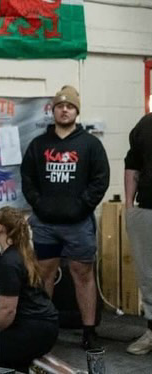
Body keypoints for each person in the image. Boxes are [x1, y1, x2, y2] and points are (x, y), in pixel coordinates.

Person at [20, 85, 110, 350]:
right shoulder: (39, 145)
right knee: (45, 273)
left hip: (79, 225)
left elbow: (100, 180)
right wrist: (39, 204)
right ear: (53, 110)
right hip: (46, 225)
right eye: (60, 106)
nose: (65, 109)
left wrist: (81, 207)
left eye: (70, 106)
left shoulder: (90, 144)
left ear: (76, 110)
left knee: (83, 274)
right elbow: (27, 179)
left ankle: (89, 331)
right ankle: (45, 328)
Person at [0, 206, 59, 371]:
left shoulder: (8, 262)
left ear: (1, 228)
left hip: (32, 330)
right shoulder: (24, 254)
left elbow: (8, 311)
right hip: (47, 327)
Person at [124, 112, 152, 355]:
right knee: (149, 277)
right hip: (147, 211)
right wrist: (128, 206)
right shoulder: (145, 124)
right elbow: (132, 164)